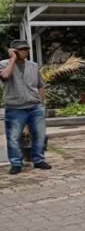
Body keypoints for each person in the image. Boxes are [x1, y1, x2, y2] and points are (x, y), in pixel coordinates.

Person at [1, 40, 51, 175]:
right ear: (14, 51)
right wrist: (12, 60)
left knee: (39, 135)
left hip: (34, 107)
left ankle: (38, 160)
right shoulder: (4, 64)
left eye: (26, 49)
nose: (25, 51)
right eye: (21, 49)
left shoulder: (33, 66)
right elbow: (5, 76)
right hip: (15, 108)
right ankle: (16, 163)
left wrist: (41, 103)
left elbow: (40, 85)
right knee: (14, 136)